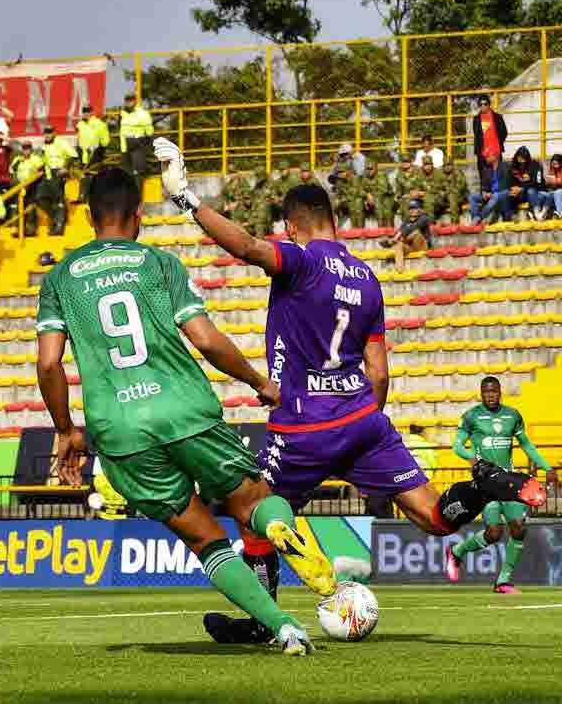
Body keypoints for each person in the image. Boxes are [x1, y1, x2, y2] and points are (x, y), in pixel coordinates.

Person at [154, 136, 546, 644]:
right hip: (363, 420)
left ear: (292, 228)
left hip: (304, 426)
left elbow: (247, 247)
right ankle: (488, 485)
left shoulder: (302, 261)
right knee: (433, 518)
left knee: (253, 514)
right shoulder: (367, 278)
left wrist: (186, 198)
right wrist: (362, 433)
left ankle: (261, 621)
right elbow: (378, 373)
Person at [36, 166, 336, 656]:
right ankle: (278, 527)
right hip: (185, 409)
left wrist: (67, 431)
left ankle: (283, 628)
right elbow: (206, 341)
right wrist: (258, 381)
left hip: (120, 429)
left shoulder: (60, 279)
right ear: (138, 216)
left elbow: (49, 364)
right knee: (255, 501)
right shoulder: (160, 265)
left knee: (206, 541)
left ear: (90, 217)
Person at [446, 377, 557, 594]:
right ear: (481, 393)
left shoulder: (512, 416)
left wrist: (547, 468)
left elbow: (526, 444)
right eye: (487, 392)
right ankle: (457, 550)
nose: (491, 395)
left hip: (510, 482)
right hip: (486, 484)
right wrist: (472, 456)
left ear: (500, 392)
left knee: (518, 528)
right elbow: (457, 446)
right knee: (494, 533)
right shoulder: (471, 417)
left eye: (494, 391)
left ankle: (503, 581)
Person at [37, 126, 78, 235]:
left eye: (50, 132)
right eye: (46, 132)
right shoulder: (43, 146)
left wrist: (65, 167)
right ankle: (56, 219)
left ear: (54, 133)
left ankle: (59, 226)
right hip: (47, 173)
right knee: (40, 198)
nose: (47, 135)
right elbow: (40, 160)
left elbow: (73, 155)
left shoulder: (62, 143)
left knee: (58, 199)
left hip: (60, 173)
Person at [380, 200, 432, 272]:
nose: (412, 210)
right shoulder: (407, 219)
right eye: (410, 209)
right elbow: (400, 230)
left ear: (419, 209)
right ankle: (400, 271)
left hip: (422, 246)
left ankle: (392, 242)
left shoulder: (424, 218)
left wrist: (396, 238)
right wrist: (395, 238)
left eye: (415, 208)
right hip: (411, 246)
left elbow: (413, 228)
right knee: (399, 245)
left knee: (415, 232)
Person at [120, 94, 154, 194]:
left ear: (135, 101)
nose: (128, 102)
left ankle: (137, 198)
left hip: (138, 145)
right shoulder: (122, 113)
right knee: (126, 173)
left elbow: (149, 131)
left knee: (137, 172)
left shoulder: (143, 114)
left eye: (130, 100)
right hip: (125, 146)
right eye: (127, 100)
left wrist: (143, 142)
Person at [9, 141, 44, 236]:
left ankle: (31, 229)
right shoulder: (18, 159)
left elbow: (40, 171)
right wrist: (16, 183)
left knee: (30, 207)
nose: (26, 151)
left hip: (32, 185)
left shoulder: (36, 159)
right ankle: (18, 229)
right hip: (19, 186)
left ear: (31, 149)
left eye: (28, 148)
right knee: (18, 207)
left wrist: (30, 182)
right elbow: (12, 171)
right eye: (24, 148)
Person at [76, 105, 110, 201]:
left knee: (93, 176)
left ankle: (90, 197)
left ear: (92, 112)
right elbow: (79, 139)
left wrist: (99, 146)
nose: (86, 113)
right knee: (84, 176)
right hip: (83, 154)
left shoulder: (100, 124)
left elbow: (106, 141)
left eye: (88, 111)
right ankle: (83, 198)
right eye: (84, 111)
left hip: (96, 153)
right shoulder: (80, 124)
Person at [469, 152, 512, 224]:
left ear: (494, 156)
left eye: (487, 156)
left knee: (495, 196)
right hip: (491, 194)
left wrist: (492, 193)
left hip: (503, 192)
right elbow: (484, 184)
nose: (486, 158)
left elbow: (505, 184)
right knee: (472, 197)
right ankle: (475, 217)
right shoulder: (486, 169)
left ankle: (480, 217)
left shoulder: (505, 166)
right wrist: (484, 192)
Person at [473, 95, 507, 177]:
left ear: (489, 104)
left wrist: (497, 143)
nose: (483, 106)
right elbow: (476, 135)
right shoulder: (476, 119)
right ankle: (485, 190)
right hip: (482, 152)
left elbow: (504, 132)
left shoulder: (497, 117)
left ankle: (497, 189)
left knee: (497, 175)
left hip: (496, 151)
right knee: (484, 175)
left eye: (485, 104)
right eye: (480, 104)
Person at [509, 146, 545, 220]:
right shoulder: (513, 167)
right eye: (519, 158)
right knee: (508, 193)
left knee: (530, 191)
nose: (521, 160)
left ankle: (537, 212)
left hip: (533, 191)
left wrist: (522, 188)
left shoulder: (534, 165)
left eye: (523, 158)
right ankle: (510, 215)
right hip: (519, 193)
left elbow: (538, 182)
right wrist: (512, 188)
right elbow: (510, 181)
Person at [358, 159, 394, 226]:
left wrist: (371, 197)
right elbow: (360, 190)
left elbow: (383, 190)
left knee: (378, 202)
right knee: (358, 202)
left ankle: (383, 227)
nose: (369, 171)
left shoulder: (381, 175)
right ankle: (359, 229)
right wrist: (367, 195)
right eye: (367, 169)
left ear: (376, 168)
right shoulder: (363, 177)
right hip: (371, 198)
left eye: (371, 168)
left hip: (386, 197)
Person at [411, 156, 446, 222]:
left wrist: (425, 193)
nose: (427, 167)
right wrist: (416, 192)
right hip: (424, 197)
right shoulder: (420, 173)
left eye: (429, 164)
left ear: (432, 165)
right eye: (425, 165)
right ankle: (410, 225)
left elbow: (441, 188)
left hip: (439, 198)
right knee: (410, 201)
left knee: (428, 200)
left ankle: (430, 224)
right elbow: (417, 185)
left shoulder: (438, 173)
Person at [441, 157, 469, 223]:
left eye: (449, 165)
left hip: (460, 196)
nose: (447, 167)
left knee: (452, 196)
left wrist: (447, 192)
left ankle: (455, 221)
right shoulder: (441, 173)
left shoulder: (458, 172)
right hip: (446, 196)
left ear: (452, 165)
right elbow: (438, 186)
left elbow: (460, 187)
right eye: (445, 165)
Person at [393, 154, 418, 219]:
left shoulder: (417, 171)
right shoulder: (399, 173)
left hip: (417, 196)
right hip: (404, 197)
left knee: (406, 202)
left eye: (407, 161)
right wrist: (397, 196)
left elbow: (420, 186)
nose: (405, 163)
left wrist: (410, 194)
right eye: (403, 161)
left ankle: (407, 225)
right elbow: (398, 188)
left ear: (411, 162)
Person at [540, 153, 562, 219]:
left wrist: (555, 181)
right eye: (553, 164)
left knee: (558, 192)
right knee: (542, 194)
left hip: (559, 191)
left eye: (556, 164)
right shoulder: (550, 169)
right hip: (550, 190)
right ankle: (542, 214)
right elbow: (545, 181)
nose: (555, 166)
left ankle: (559, 213)